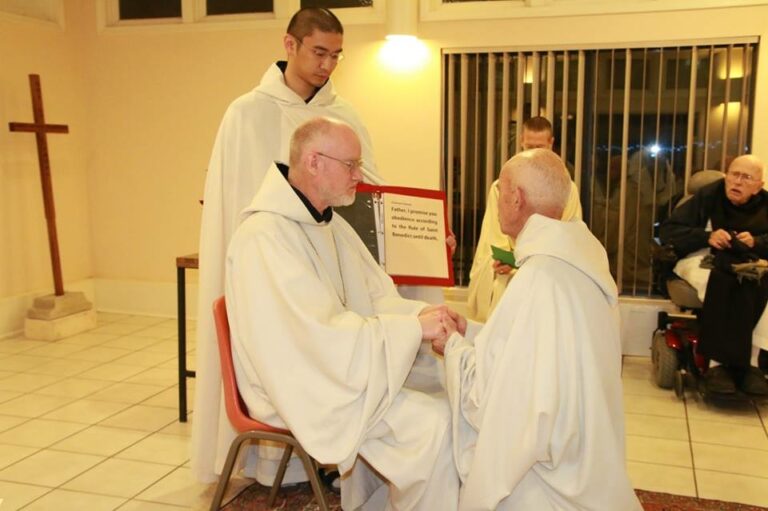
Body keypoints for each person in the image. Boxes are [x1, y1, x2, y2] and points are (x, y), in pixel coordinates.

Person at [193, 7, 447, 485]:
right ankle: (278, 464)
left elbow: (373, 195)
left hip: (322, 255)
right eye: (319, 52)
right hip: (272, 272)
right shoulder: (247, 114)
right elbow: (232, 205)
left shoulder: (342, 115)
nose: (327, 66)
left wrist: (431, 238)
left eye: (336, 56)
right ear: (289, 46)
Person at [226, 117, 461, 510]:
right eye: (351, 165)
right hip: (300, 383)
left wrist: (426, 314)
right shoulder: (264, 237)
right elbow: (316, 339)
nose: (359, 176)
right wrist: (409, 330)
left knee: (446, 392)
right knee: (436, 428)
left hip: (337, 367)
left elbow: (376, 298)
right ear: (314, 162)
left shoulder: (329, 225)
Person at [434, 149, 641, 511]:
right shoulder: (581, 259)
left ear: (516, 199)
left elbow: (495, 399)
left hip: (544, 479)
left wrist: (451, 346)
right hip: (585, 447)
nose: (499, 205)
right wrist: (471, 333)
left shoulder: (539, 277)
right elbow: (535, 349)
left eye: (501, 194)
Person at [659, 155, 768, 394]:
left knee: (757, 282)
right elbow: (669, 231)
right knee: (720, 282)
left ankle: (751, 363)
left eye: (746, 178)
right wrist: (706, 236)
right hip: (701, 257)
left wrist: (757, 241)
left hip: (748, 262)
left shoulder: (765, 204)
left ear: (759, 185)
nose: (737, 182)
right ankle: (717, 365)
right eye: (733, 174)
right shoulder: (707, 196)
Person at [466, 116, 582, 322]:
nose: (533, 153)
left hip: (548, 276)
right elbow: (493, 242)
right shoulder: (501, 188)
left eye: (540, 148)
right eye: (529, 147)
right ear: (521, 142)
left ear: (551, 144)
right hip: (510, 278)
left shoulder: (567, 190)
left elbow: (570, 242)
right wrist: (506, 261)